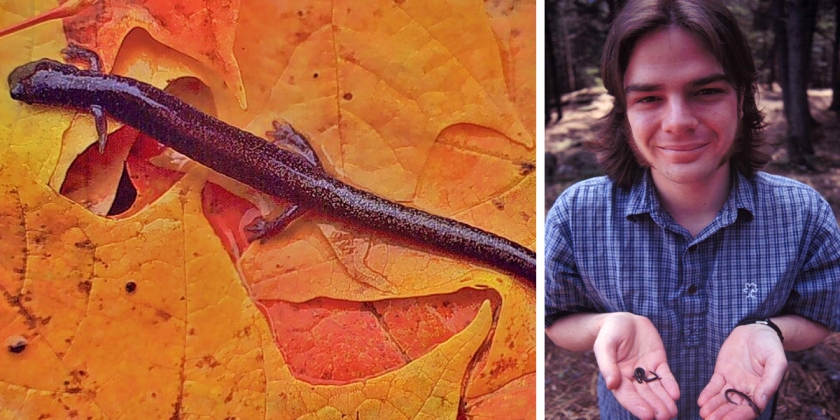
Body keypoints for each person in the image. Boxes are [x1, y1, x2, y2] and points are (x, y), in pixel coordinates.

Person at [544, 0, 840, 419]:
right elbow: (556, 318)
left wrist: (769, 330)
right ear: (624, 113)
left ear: (741, 99)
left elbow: (821, 314)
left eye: (706, 91)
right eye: (648, 97)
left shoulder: (803, 215)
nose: (678, 121)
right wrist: (603, 326)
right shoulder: (576, 216)